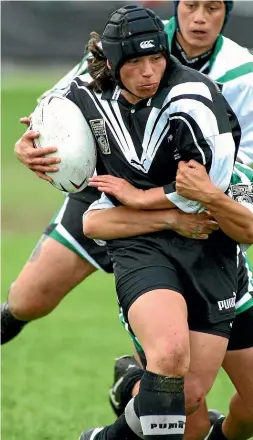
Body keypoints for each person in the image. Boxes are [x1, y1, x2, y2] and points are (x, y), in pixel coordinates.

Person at [64, 5, 239, 440]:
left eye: (156, 59)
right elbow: (52, 124)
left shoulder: (196, 101)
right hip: (141, 247)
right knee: (169, 356)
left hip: (208, 247)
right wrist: (33, 146)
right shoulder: (87, 94)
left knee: (192, 395)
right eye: (135, 63)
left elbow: (204, 198)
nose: (148, 73)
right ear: (112, 63)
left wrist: (142, 198)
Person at [84, 159, 253, 440]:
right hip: (159, 289)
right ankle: (130, 389)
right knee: (187, 409)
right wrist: (169, 219)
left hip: (228, 287)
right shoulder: (142, 173)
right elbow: (93, 223)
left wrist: (209, 195)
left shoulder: (236, 175)